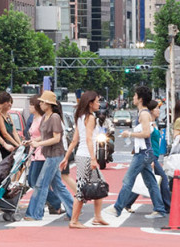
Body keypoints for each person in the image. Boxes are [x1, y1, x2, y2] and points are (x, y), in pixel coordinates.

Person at [112, 86, 168, 219]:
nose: (133, 98)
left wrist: (129, 133)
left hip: (143, 153)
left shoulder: (143, 114)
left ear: (140, 98)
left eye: (135, 95)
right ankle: (159, 209)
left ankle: (117, 208)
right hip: (144, 152)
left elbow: (146, 133)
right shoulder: (143, 113)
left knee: (128, 179)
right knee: (151, 182)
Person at [24, 90, 74, 221]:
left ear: (49, 104)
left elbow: (56, 138)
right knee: (57, 185)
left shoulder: (55, 117)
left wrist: (39, 144)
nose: (40, 104)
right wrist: (33, 141)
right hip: (49, 154)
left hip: (55, 155)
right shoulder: (45, 117)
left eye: (42, 102)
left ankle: (35, 214)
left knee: (41, 184)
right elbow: (45, 136)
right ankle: (73, 210)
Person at [65, 91, 108, 228]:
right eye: (97, 101)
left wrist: (66, 157)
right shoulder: (90, 118)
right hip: (86, 156)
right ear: (90, 103)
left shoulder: (80, 116)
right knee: (82, 189)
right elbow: (89, 139)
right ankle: (74, 221)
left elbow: (74, 140)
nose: (99, 104)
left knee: (100, 185)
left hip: (82, 155)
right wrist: (94, 159)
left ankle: (97, 216)